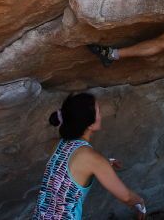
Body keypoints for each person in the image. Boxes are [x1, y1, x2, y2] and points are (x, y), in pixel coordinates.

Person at [31, 92, 146, 220]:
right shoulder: (92, 159)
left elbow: (73, 167)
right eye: (98, 112)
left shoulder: (58, 145)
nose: (101, 115)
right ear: (90, 124)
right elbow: (126, 197)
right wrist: (140, 202)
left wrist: (104, 163)